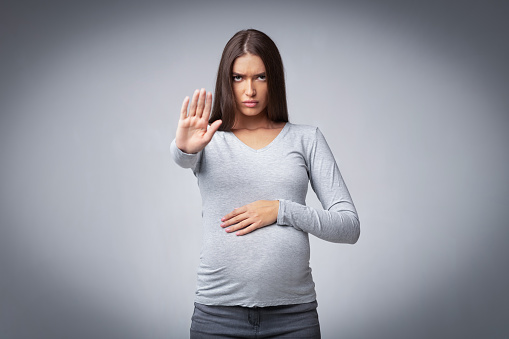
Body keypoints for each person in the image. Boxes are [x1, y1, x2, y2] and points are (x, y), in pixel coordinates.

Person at [170, 29, 360, 339]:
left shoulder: (306, 138)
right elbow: (181, 157)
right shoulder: (207, 142)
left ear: (274, 79)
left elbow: (349, 227)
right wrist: (184, 147)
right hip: (217, 317)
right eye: (238, 78)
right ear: (226, 80)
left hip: (293, 318)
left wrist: (282, 211)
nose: (249, 90)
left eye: (260, 77)